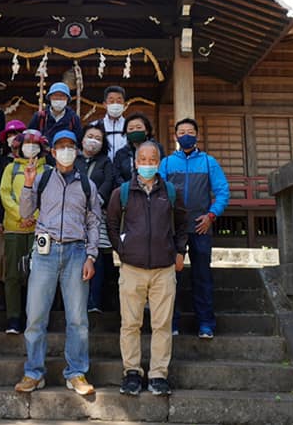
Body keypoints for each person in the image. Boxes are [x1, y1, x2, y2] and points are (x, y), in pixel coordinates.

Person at [14, 130, 101, 396]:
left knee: (77, 319)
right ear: (52, 153)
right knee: (36, 316)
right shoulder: (40, 180)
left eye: (70, 147)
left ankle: (75, 373)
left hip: (76, 253)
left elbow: (93, 222)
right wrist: (28, 185)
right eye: (60, 147)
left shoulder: (87, 185)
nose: (66, 151)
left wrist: (91, 255)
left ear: (76, 151)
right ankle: (33, 372)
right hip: (44, 253)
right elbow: (26, 213)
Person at [107, 141, 187, 396]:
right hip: (132, 267)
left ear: (159, 162)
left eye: (153, 159)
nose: (148, 163)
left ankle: (158, 374)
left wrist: (179, 251)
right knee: (130, 323)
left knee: (162, 324)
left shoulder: (171, 192)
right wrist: (123, 249)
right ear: (135, 161)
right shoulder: (122, 192)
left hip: (164, 269)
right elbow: (110, 224)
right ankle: (131, 372)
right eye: (143, 158)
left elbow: (183, 224)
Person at [159, 118, 230, 339]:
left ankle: (206, 324)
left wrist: (211, 215)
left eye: (190, 131)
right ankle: (171, 323)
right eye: (182, 131)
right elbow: (158, 192)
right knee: (170, 278)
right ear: (175, 136)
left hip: (201, 227)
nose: (186, 134)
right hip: (174, 229)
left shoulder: (209, 162)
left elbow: (223, 191)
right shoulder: (167, 163)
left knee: (202, 276)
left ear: (197, 135)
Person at [0, 129, 47, 335]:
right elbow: (4, 194)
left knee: (39, 274)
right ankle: (14, 318)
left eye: (35, 144)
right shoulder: (11, 168)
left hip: (40, 229)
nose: (31, 148)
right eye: (27, 144)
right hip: (13, 228)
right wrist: (21, 215)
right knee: (13, 274)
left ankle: (36, 317)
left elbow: (48, 197)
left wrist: (34, 216)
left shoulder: (48, 169)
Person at [77, 121, 116, 313]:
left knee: (97, 255)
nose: (93, 141)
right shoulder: (73, 159)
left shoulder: (105, 161)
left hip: (97, 213)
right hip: (73, 214)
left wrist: (97, 199)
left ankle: (94, 301)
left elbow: (109, 181)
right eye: (90, 137)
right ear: (82, 139)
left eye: (98, 138)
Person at [0, 119, 27, 234]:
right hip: (9, 221)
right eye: (9, 135)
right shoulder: (4, 162)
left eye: (15, 134)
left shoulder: (34, 161)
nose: (13, 138)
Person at [113, 112, 164, 186]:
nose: (135, 130)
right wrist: (126, 188)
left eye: (139, 127)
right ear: (126, 132)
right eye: (131, 128)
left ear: (146, 131)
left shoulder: (157, 149)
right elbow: (117, 175)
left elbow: (162, 170)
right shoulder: (121, 153)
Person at [28, 81, 82, 146]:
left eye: (62, 96)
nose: (58, 98)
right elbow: (29, 137)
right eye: (55, 95)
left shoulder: (74, 118)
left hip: (64, 153)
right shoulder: (40, 116)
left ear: (67, 99)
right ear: (50, 98)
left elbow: (78, 140)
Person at [101, 85, 128, 160]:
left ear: (124, 105)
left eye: (119, 102)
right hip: (103, 169)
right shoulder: (96, 125)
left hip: (125, 169)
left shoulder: (130, 126)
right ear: (104, 104)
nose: (115, 104)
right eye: (111, 101)